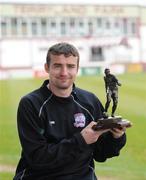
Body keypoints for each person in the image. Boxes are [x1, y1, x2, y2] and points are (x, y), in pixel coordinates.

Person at [14, 42, 126, 180]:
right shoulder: (31, 104)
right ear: (46, 68)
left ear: (77, 68)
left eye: (70, 66)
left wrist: (117, 137)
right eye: (57, 66)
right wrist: (81, 140)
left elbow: (101, 154)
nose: (64, 73)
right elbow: (37, 158)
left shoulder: (90, 101)